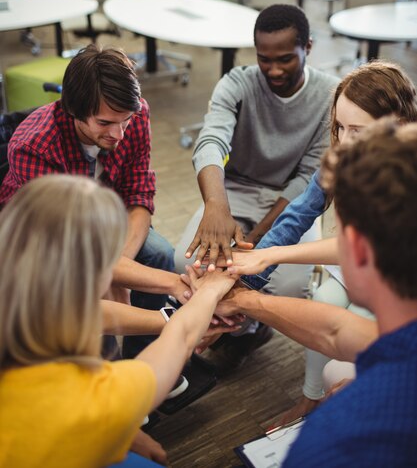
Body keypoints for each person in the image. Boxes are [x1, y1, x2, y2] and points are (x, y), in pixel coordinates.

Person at [190, 119, 417, 466]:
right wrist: (244, 298)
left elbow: (338, 332)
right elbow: (337, 331)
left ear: (354, 248)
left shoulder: (328, 442)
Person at [207, 61, 417, 418]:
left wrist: (267, 261)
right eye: (339, 127)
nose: (345, 141)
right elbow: (296, 216)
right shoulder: (341, 160)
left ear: (399, 126)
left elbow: (368, 248)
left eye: (358, 130)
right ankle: (311, 396)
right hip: (368, 268)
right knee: (325, 299)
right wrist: (247, 278)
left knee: (343, 367)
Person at [0, 175, 237, 468]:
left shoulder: (22, 298)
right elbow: (182, 337)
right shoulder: (87, 393)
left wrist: (123, 430)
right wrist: (211, 290)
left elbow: (83, 314)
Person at [174, 4, 339, 364]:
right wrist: (217, 207)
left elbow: (307, 179)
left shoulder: (331, 96)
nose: (274, 70)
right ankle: (231, 324)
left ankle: (250, 329)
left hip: (292, 200)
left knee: (287, 285)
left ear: (308, 47)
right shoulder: (238, 82)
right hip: (233, 192)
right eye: (265, 59)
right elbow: (211, 142)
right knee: (184, 261)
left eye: (285, 59)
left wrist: (254, 245)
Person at [0, 45, 190, 358]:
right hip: (43, 241)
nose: (118, 134)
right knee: (83, 294)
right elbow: (73, 249)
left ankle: (144, 359)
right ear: (74, 109)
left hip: (103, 218)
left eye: (125, 120)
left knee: (159, 254)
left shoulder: (136, 112)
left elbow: (139, 192)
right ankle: (103, 365)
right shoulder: (34, 147)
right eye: (104, 123)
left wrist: (122, 263)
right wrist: (176, 286)